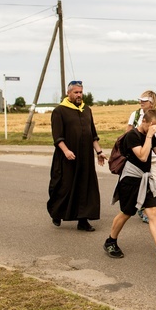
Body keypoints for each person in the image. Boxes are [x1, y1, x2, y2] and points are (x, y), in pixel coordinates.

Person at [104, 110, 156, 264]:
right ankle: (110, 241)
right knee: (126, 212)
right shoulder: (132, 135)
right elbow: (143, 156)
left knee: (153, 213)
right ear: (144, 121)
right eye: (152, 125)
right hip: (130, 180)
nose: (153, 128)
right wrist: (150, 136)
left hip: (146, 180)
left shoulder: (151, 136)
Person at [47, 81, 106, 231]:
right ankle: (56, 212)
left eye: (80, 92)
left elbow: (93, 134)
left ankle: (83, 220)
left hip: (85, 157)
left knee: (85, 187)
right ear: (69, 93)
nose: (79, 95)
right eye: (76, 92)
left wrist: (99, 152)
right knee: (63, 187)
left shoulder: (87, 110)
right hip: (66, 157)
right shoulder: (59, 111)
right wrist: (66, 150)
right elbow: (57, 136)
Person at [126, 90, 156, 224]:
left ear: (151, 103)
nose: (140, 103)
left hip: (154, 154)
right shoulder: (136, 114)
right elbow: (129, 131)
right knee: (127, 207)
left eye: (144, 101)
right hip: (139, 154)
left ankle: (143, 202)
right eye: (140, 100)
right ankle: (145, 208)